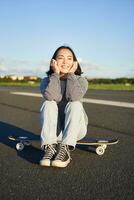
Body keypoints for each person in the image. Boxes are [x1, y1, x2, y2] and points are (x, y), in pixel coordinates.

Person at [40, 45, 88, 168]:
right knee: (48, 103)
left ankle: (65, 149)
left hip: (76, 130)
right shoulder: (46, 81)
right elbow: (52, 96)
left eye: (69, 58)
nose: (65, 61)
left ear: (74, 62)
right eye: (61, 58)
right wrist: (56, 74)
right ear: (54, 61)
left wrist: (71, 74)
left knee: (75, 103)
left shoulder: (81, 81)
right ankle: (50, 148)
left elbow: (74, 97)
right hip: (55, 133)